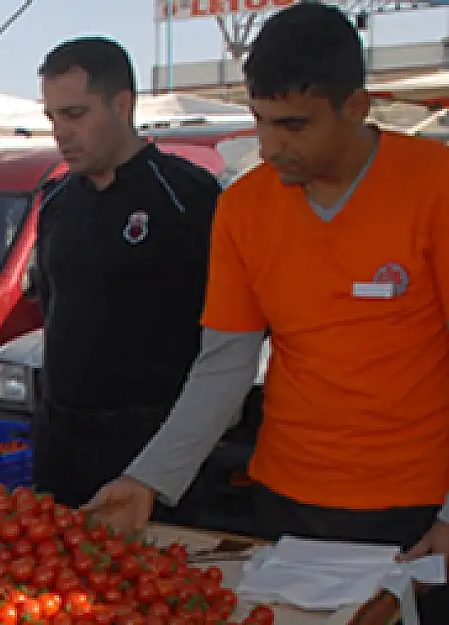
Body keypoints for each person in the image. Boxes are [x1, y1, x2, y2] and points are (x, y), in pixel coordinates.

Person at [82, 4, 449, 620]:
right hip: (285, 500)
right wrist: (148, 478)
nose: (272, 145)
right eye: (261, 120)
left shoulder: (434, 186)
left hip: (411, 506)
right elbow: (224, 364)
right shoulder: (244, 207)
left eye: (295, 125)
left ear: (356, 108)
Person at [31, 37, 221, 511]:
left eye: (75, 115)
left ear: (122, 104)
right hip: (63, 442)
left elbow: (229, 332)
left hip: (153, 444)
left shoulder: (187, 196)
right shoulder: (54, 201)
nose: (62, 133)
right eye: (52, 117)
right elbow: (53, 307)